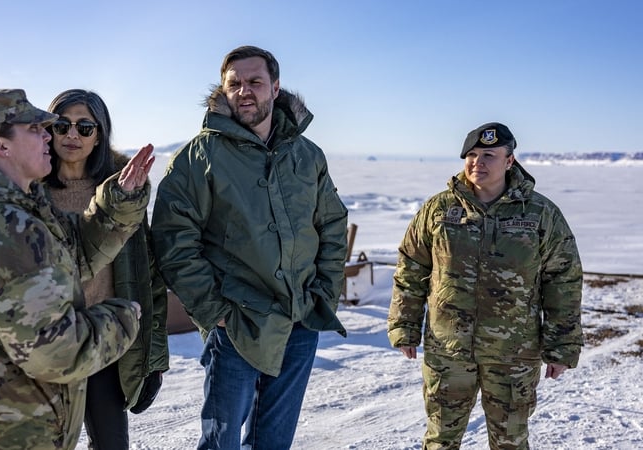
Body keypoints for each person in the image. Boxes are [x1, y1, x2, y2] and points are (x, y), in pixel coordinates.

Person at [0, 88, 155, 449]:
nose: (51, 135)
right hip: (6, 432)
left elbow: (72, 255)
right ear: (1, 146)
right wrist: (121, 318)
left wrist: (115, 206)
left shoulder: (14, 210)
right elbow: (56, 353)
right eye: (36, 129)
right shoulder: (5, 227)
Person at [151, 45, 349, 449]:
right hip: (238, 324)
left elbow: (330, 224)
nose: (244, 91)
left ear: (275, 88)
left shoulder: (307, 155)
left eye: (255, 82)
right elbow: (174, 241)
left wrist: (323, 291)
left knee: (273, 441)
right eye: (234, 84)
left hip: (300, 319)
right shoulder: (199, 157)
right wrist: (214, 311)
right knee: (221, 442)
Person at [387, 122, 583, 449]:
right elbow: (411, 265)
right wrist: (404, 324)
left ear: (509, 161)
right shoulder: (439, 209)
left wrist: (562, 345)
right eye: (472, 155)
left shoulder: (539, 214)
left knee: (510, 442)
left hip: (513, 355)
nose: (478, 162)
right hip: (448, 350)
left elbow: (563, 279)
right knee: (440, 440)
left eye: (489, 155)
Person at [44, 89, 169, 449]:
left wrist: (154, 353)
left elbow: (148, 275)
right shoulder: (29, 188)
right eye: (61, 125)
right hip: (46, 342)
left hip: (103, 338)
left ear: (99, 134)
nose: (71, 135)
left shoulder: (121, 191)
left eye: (85, 127)